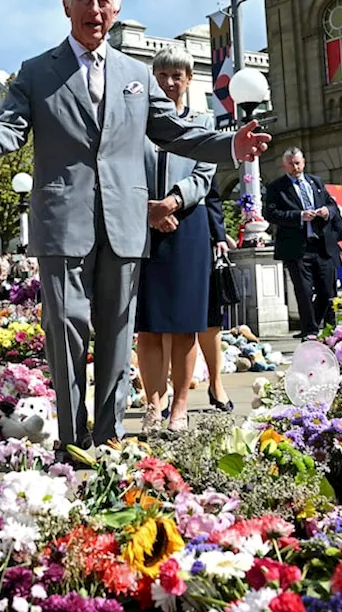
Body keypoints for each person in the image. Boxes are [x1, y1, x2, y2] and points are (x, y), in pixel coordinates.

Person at [0, 0, 268, 449]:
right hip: (63, 223)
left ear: (116, 9)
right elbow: (10, 129)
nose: (95, 9)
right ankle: (73, 436)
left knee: (119, 335)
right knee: (65, 329)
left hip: (123, 221)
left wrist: (228, 145)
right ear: (66, 5)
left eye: (105, 1)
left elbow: (174, 131)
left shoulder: (135, 74)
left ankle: (109, 437)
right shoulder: (38, 71)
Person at [133, 46, 220, 434]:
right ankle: (153, 402)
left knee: (185, 324)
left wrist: (172, 202)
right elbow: (123, 168)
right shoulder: (136, 122)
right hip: (141, 224)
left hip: (188, 226)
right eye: (163, 75)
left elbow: (204, 172)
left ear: (189, 80)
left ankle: (180, 407)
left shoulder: (203, 120)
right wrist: (148, 209)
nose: (170, 82)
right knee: (148, 325)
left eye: (177, 75)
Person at [262, 147, 342, 338]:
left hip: (321, 245)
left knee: (327, 291)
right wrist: (299, 216)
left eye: (297, 163)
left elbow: (332, 205)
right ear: (284, 165)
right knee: (304, 292)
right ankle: (311, 331)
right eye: (290, 164)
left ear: (304, 162)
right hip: (297, 248)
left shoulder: (316, 182)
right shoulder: (276, 188)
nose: (295, 167)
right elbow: (271, 214)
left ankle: (312, 323)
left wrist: (326, 211)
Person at [198, 184, 233, 414]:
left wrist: (219, 235)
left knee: (210, 318)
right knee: (166, 325)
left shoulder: (199, 150)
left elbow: (212, 196)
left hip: (200, 237)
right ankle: (162, 394)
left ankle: (215, 382)